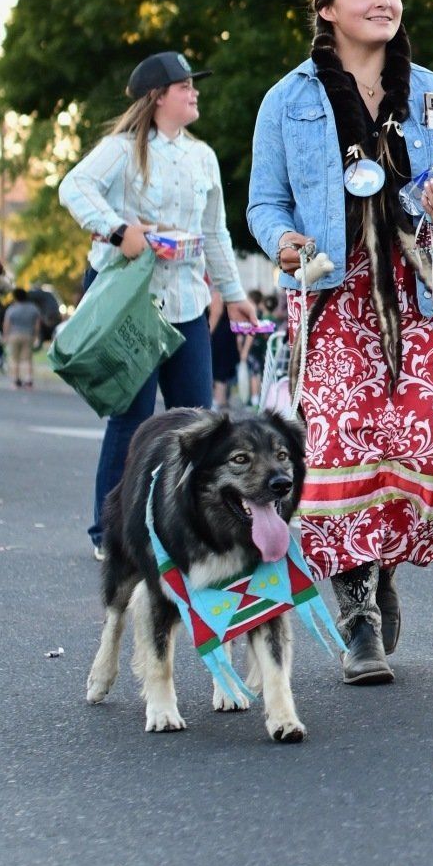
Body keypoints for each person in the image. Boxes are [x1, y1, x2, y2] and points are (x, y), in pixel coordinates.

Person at [247, 0, 433, 684]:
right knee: (342, 444)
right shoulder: (289, 99)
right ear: (327, 8)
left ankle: (380, 570)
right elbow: (263, 201)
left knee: (416, 441)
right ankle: (357, 613)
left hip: (417, 292)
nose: (384, 0)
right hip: (335, 294)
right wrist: (283, 240)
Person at [59, 47, 257, 554]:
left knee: (198, 421)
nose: (194, 92)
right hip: (134, 304)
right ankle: (111, 532)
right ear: (157, 96)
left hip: (188, 300)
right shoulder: (123, 148)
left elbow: (215, 232)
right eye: (185, 85)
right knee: (133, 418)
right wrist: (118, 228)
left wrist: (234, 295)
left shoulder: (202, 156)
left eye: (194, 84)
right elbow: (74, 186)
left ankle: (192, 527)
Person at [2, 285, 40, 390]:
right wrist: (36, 336)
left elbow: (7, 324)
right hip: (28, 335)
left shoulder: (12, 309)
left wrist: (5, 336)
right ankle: (28, 381)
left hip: (14, 335)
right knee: (27, 359)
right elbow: (37, 324)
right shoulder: (33, 308)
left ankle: (16, 381)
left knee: (14, 359)